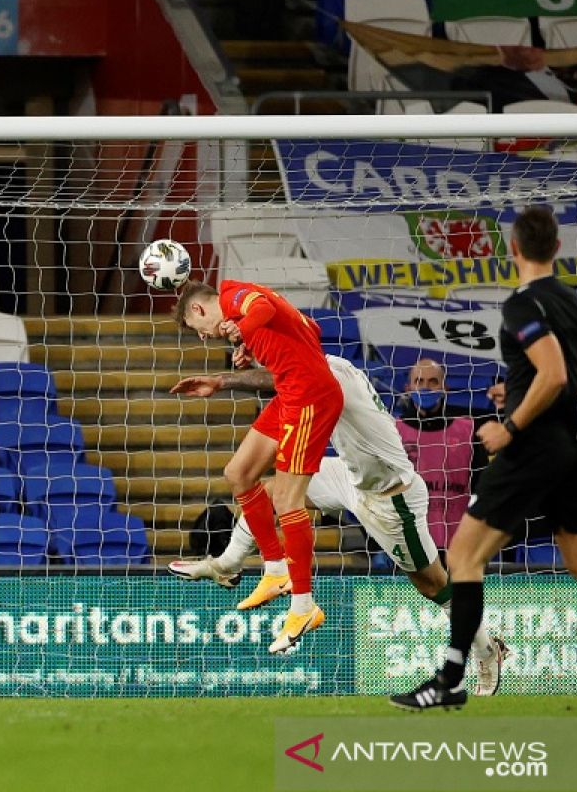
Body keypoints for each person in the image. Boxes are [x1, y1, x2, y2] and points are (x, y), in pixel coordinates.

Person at [391, 206, 577, 712]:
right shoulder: (575, 303)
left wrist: (509, 426)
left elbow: (552, 374)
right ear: (556, 249)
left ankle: (451, 680)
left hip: (531, 450)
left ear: (513, 249)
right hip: (571, 447)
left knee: (463, 558)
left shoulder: (520, 305)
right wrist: (524, 387)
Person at [168, 356, 507, 694]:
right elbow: (281, 376)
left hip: (391, 497)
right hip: (350, 476)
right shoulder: (329, 363)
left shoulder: (320, 373)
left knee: (434, 585)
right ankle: (228, 563)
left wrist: (224, 381)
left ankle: (487, 649)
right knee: (270, 491)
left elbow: (278, 377)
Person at [174, 280, 344, 654]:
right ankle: (274, 567)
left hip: (309, 398)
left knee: (287, 500)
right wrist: (255, 345)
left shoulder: (234, 296)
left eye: (197, 329)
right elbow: (307, 329)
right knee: (239, 473)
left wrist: (245, 328)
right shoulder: (246, 308)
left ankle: (303, 606)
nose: (204, 338)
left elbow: (262, 311)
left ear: (200, 310)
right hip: (289, 391)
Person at [395, 358, 483, 550]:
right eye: (419, 381)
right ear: (408, 388)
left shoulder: (468, 430)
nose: (426, 388)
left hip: (459, 543)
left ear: (445, 388)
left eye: (433, 382)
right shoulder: (393, 432)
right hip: (410, 544)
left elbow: (482, 487)